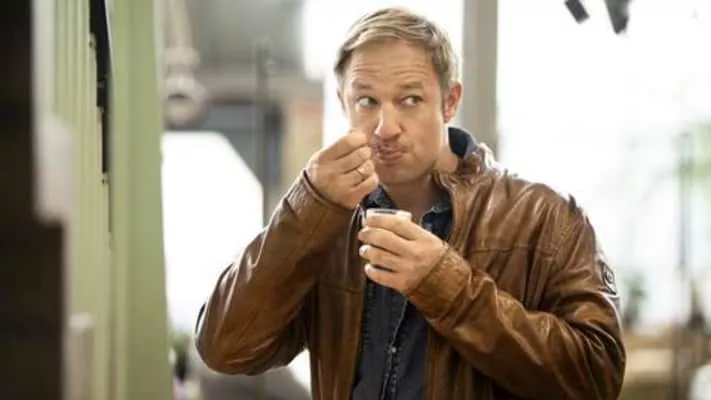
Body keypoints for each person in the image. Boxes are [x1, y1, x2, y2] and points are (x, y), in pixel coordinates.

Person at [195, 6, 626, 400]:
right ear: (344, 102)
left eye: (410, 100)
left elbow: (597, 378)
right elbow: (225, 348)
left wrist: (446, 285)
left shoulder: (546, 218)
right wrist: (306, 203)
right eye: (367, 101)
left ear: (450, 102)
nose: (385, 128)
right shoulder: (325, 222)